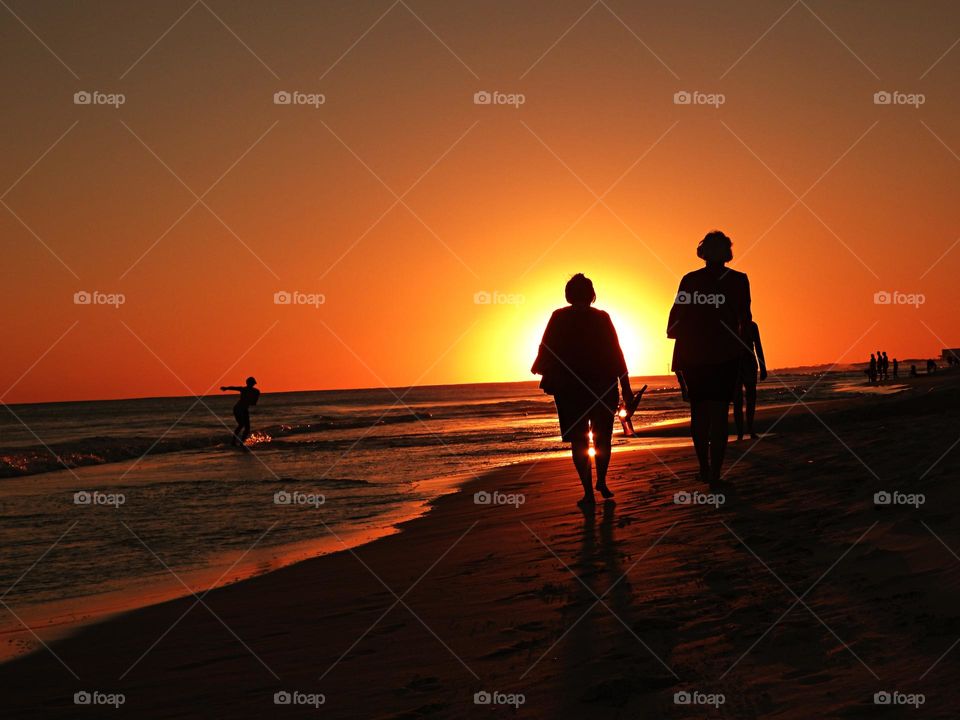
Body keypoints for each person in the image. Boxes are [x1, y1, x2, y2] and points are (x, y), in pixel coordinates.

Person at [532, 274, 635, 507]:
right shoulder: (602, 317)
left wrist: (542, 368)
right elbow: (617, 352)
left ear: (568, 294)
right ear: (591, 295)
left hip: (570, 389)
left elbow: (545, 347)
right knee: (603, 437)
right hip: (603, 385)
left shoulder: (559, 317)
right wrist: (626, 387)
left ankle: (588, 492)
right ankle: (602, 481)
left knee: (579, 441)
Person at [667, 231, 752, 486]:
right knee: (719, 413)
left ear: (703, 252)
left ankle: (705, 467)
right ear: (727, 253)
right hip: (726, 354)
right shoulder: (739, 280)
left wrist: (677, 332)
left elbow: (677, 316)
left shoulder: (690, 280)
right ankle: (714, 471)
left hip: (695, 354)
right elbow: (745, 318)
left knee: (700, 412)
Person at [733, 320, 767, 441]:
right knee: (739, 399)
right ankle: (742, 432)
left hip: (747, 364)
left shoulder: (751, 326)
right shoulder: (732, 324)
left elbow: (758, 346)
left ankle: (748, 430)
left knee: (748, 398)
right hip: (737, 365)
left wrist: (763, 367)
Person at [220, 377, 260, 446]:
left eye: (252, 383)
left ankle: (241, 443)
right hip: (238, 409)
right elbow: (234, 388)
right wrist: (226, 388)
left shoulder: (255, 391)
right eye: (251, 383)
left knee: (247, 427)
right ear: (248, 383)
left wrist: (226, 388)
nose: (251, 385)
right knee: (241, 425)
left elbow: (254, 402)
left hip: (244, 409)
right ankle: (234, 441)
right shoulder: (245, 389)